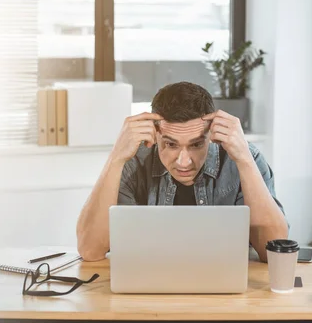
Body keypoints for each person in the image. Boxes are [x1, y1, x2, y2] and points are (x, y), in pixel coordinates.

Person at [76, 82, 288, 262]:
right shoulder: (134, 160)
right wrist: (116, 158)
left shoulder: (243, 156)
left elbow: (274, 253)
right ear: (155, 133)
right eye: (171, 145)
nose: (184, 162)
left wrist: (244, 160)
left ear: (211, 134)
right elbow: (90, 250)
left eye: (196, 145)